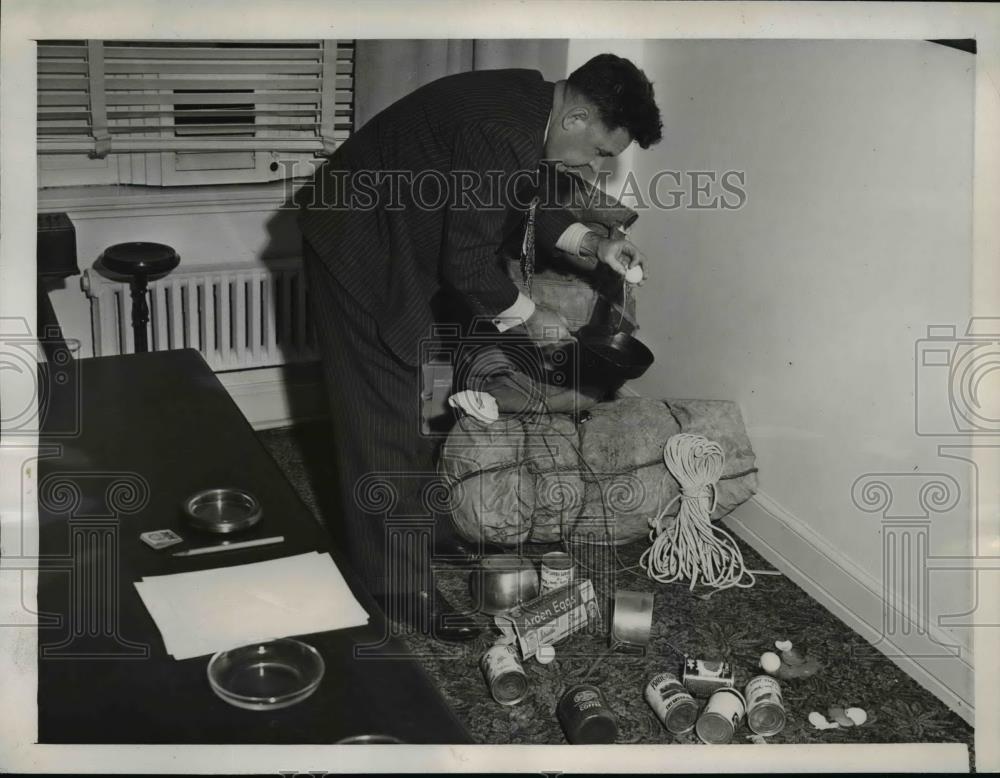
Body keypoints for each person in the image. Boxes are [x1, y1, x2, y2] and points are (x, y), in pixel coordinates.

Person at [298, 53, 662, 640]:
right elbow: (467, 260)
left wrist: (595, 243)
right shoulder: (502, 129)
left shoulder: (531, 105)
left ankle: (425, 523)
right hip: (359, 242)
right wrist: (531, 319)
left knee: (419, 389)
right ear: (576, 117)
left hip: (396, 228)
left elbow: (517, 206)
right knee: (383, 412)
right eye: (599, 150)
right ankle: (396, 587)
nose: (595, 165)